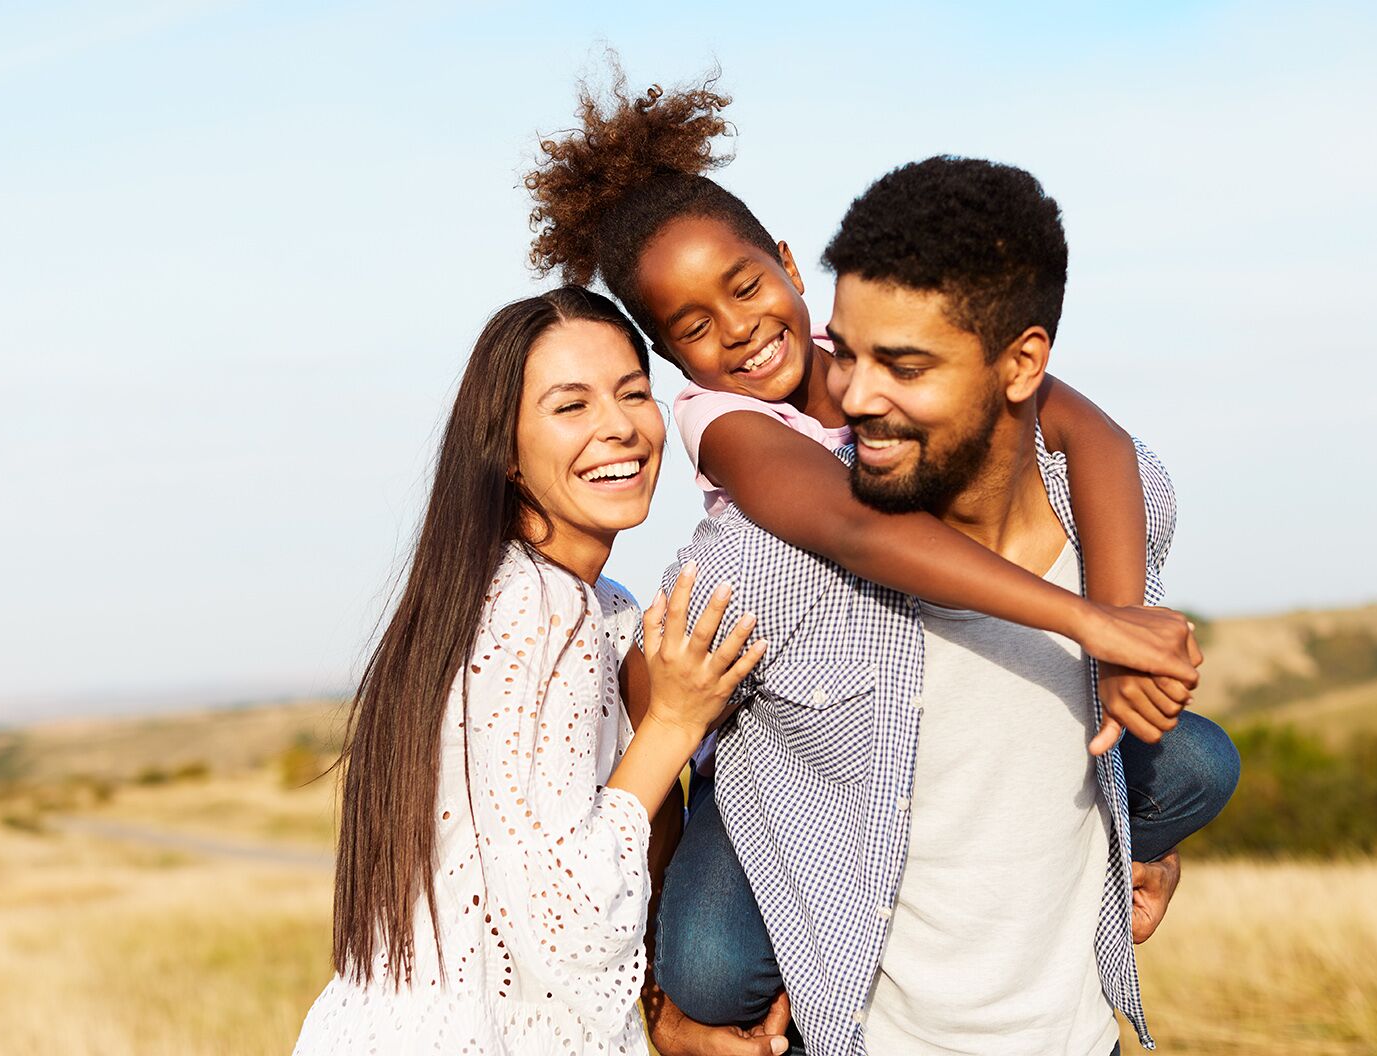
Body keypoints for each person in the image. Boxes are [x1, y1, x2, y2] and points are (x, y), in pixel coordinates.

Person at [524, 73, 1238, 1054]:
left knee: (1197, 762)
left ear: (786, 263)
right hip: (782, 734)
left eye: (744, 286)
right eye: (691, 327)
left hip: (932, 718)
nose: (733, 329)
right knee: (711, 969)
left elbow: (1096, 440)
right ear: (670, 360)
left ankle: (1128, 854)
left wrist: (1121, 636)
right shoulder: (725, 422)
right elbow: (854, 527)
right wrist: (1079, 621)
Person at [291, 286, 765, 1056]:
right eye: (570, 406)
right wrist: (676, 722)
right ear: (506, 452)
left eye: (633, 393)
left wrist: (663, 1013)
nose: (619, 427)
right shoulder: (542, 608)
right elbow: (568, 911)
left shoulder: (549, 601)